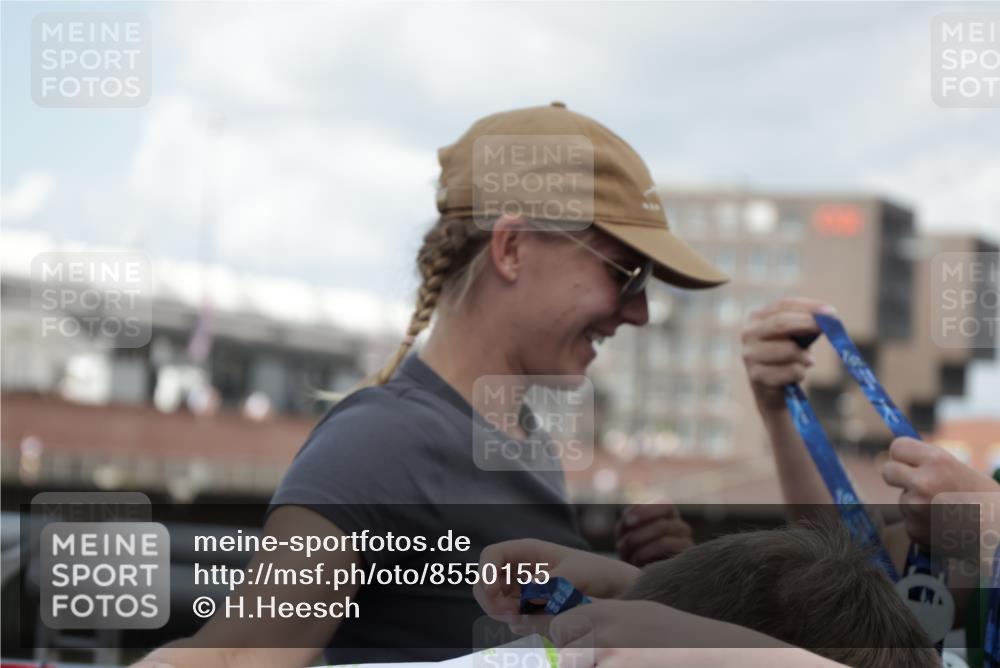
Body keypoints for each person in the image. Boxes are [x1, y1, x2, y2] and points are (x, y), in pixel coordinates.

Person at [133, 102, 727, 668]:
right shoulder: (381, 442)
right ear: (512, 248)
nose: (641, 312)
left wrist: (653, 588)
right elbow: (238, 653)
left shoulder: (520, 441)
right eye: (626, 273)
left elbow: (497, 628)